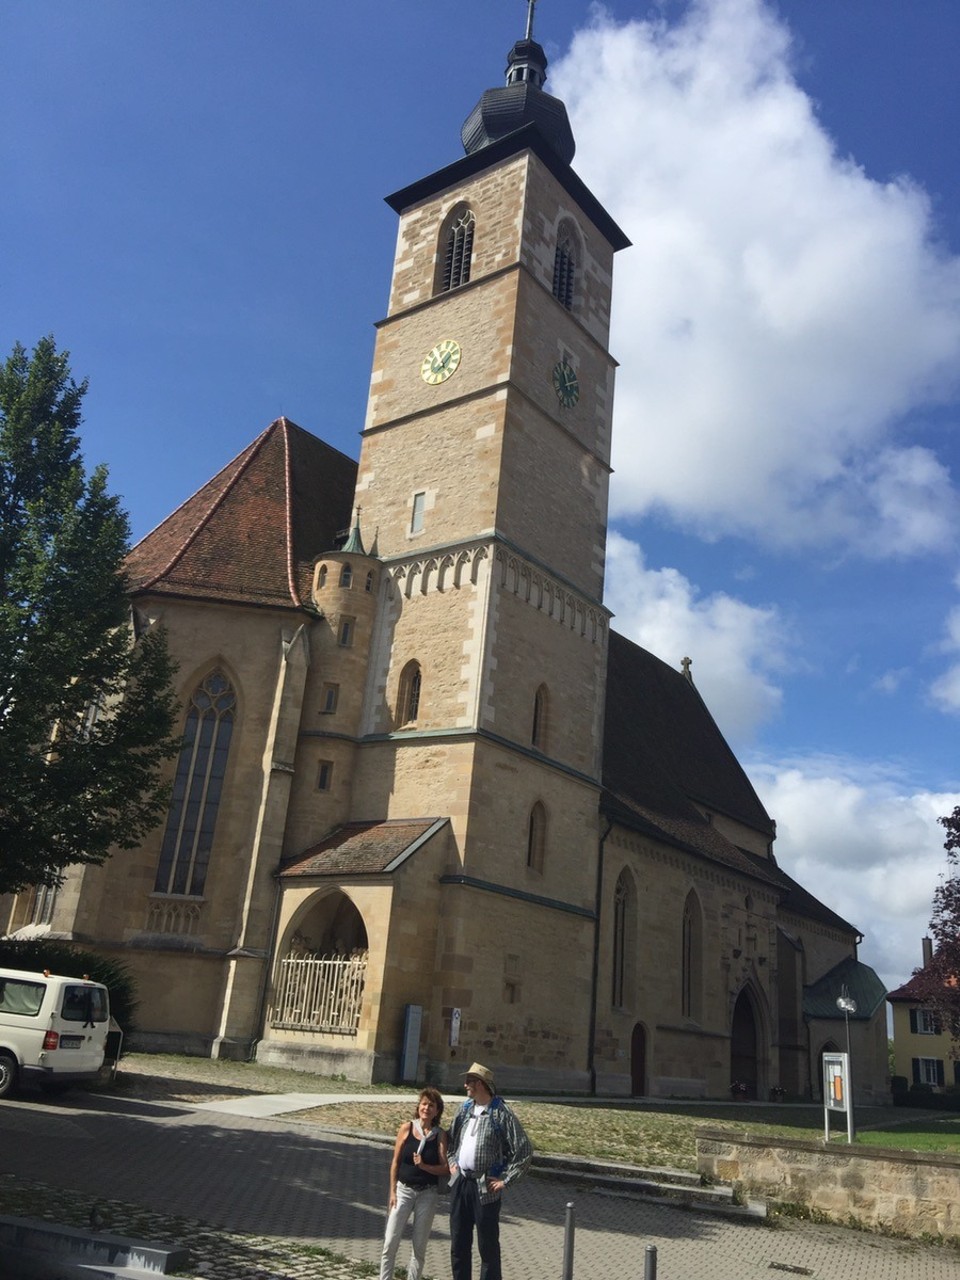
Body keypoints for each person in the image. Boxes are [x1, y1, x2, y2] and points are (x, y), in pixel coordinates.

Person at [446, 1062, 532, 1280]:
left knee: (488, 1247)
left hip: (486, 1187)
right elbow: (450, 1140)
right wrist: (451, 1162)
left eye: (470, 1081)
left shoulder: (500, 1113)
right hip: (461, 1184)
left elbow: (523, 1149)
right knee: (458, 1243)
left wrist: (505, 1180)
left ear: (482, 1084)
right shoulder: (464, 1109)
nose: (466, 1085)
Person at [380, 1086, 449, 1280]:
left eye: (431, 1105)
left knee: (419, 1246)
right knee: (390, 1242)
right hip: (403, 1190)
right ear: (419, 1106)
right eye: (424, 1103)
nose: (426, 1108)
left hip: (427, 1193)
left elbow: (445, 1168)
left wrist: (425, 1166)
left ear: (437, 1111)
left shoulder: (440, 1135)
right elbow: (395, 1162)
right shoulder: (407, 1128)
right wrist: (392, 1191)